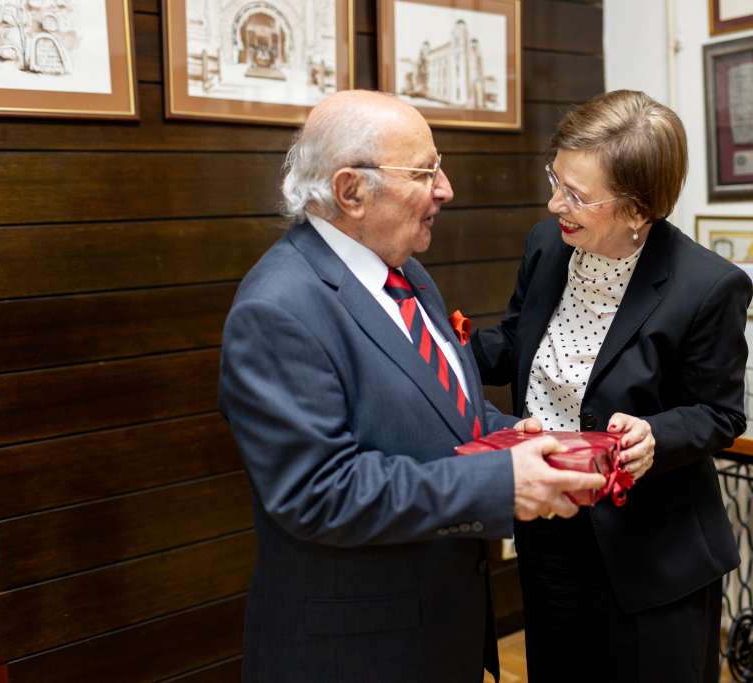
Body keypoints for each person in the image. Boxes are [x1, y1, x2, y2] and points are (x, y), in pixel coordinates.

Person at [217, 90, 605, 683]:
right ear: (351, 192)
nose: (445, 188)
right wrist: (499, 481)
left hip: (435, 629)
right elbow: (318, 491)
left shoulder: (405, 270)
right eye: (425, 172)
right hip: (354, 651)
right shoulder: (279, 309)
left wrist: (515, 439)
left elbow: (445, 412)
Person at [472, 89, 753, 682]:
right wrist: (441, 351)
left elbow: (720, 413)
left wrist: (657, 433)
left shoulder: (708, 287)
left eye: (576, 195)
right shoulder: (548, 245)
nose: (554, 204)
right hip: (550, 528)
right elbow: (519, 340)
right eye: (557, 180)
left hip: (653, 554)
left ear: (636, 209)